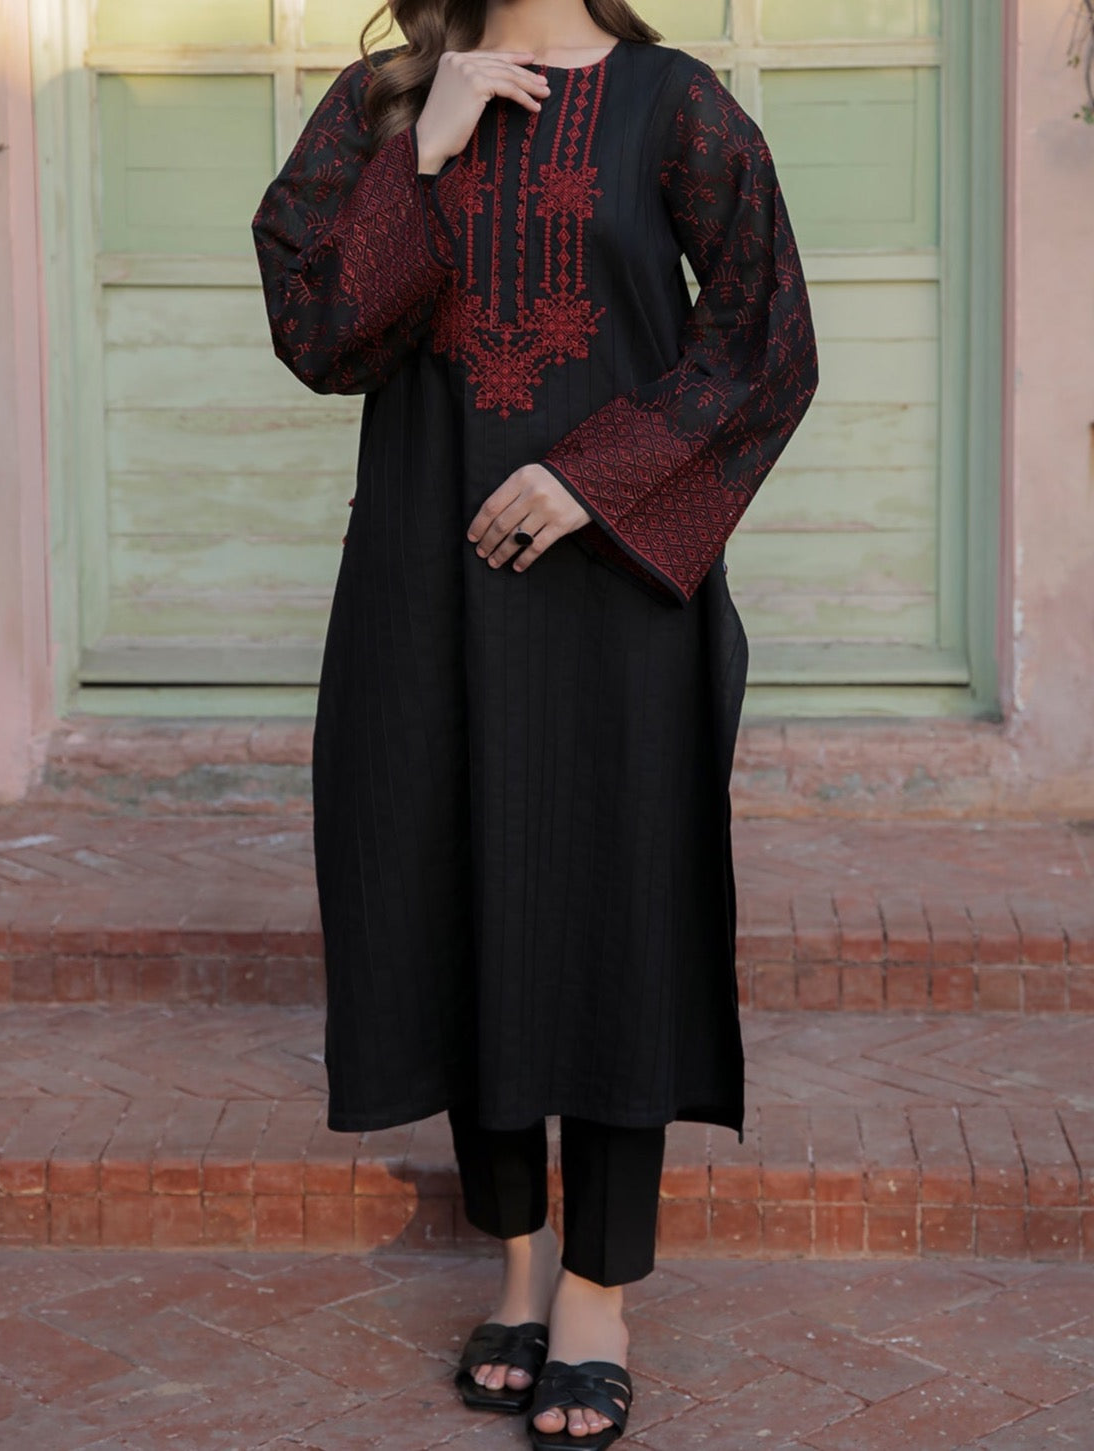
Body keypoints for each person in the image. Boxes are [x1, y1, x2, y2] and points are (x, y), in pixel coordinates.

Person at [252, 0, 817, 1444]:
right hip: (425, 583)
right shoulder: (382, 100)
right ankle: (515, 1267)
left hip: (613, 588)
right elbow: (319, 336)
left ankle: (598, 1294)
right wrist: (421, 158)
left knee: (615, 914)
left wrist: (593, 477)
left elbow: (764, 337)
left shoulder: (673, 104)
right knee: (459, 901)